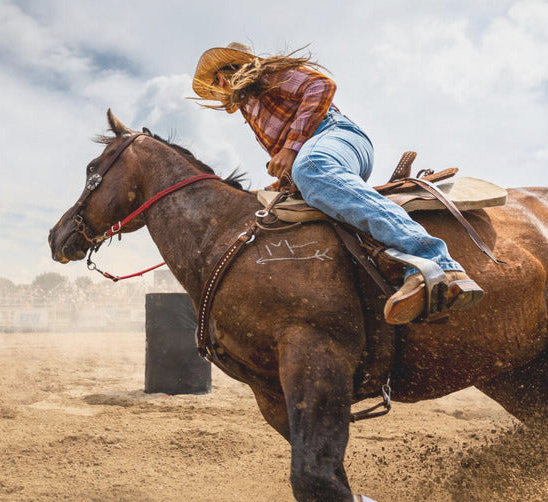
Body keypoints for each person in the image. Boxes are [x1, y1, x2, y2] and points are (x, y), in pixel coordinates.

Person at [191, 43, 484, 325]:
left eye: (216, 84)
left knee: (312, 168)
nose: (218, 92)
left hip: (336, 134)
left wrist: (291, 149)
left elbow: (321, 86)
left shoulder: (266, 74)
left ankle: (437, 261)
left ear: (222, 76)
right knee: (299, 185)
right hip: (318, 147)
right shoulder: (250, 108)